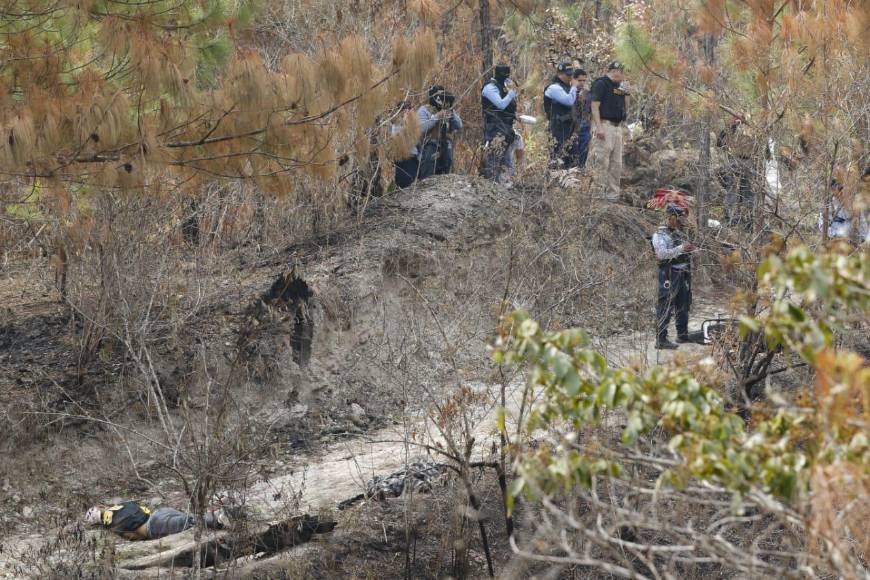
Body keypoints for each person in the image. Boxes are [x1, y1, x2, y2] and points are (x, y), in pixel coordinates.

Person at [652, 205, 696, 350]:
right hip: (668, 273)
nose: (679, 221)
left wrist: (691, 250)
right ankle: (661, 339)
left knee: (683, 303)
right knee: (665, 305)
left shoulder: (678, 234)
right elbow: (661, 254)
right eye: (677, 218)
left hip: (683, 273)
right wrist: (681, 249)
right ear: (670, 217)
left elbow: (685, 250)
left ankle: (682, 334)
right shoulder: (659, 235)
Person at [84, 500, 224, 540]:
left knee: (191, 522)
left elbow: (133, 535)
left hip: (153, 527)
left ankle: (219, 519)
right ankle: (219, 514)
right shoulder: (121, 504)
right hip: (159, 513)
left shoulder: (113, 526)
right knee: (191, 517)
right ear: (102, 506)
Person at [589, 61, 629, 200]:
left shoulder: (619, 87)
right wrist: (598, 127)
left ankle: (613, 195)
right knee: (601, 160)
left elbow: (625, 106)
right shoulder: (601, 84)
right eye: (622, 72)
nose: (623, 76)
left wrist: (626, 92)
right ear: (615, 71)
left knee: (616, 163)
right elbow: (594, 106)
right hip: (604, 125)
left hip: (617, 127)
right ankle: (597, 194)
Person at [480, 64, 519, 184]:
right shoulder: (490, 87)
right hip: (494, 127)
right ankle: (491, 183)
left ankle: (504, 183)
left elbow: (508, 107)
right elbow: (501, 104)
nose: (506, 78)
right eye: (504, 75)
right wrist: (511, 93)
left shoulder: (503, 87)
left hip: (506, 127)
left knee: (506, 156)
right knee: (494, 155)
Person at [417, 85, 463, 180]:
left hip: (445, 144)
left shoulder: (448, 110)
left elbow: (459, 125)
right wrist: (437, 117)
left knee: (447, 164)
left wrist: (451, 112)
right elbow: (421, 128)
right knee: (428, 167)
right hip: (430, 144)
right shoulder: (424, 110)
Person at [543, 62, 579, 169]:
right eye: (568, 75)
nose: (570, 77)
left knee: (572, 157)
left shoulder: (566, 87)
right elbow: (568, 101)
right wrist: (574, 87)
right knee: (558, 156)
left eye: (571, 75)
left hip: (569, 127)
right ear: (560, 74)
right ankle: (555, 183)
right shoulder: (554, 87)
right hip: (558, 127)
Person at [391, 100, 420, 189]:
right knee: (403, 181)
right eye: (404, 110)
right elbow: (397, 140)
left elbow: (415, 140)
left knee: (410, 180)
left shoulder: (413, 123)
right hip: (401, 158)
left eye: (408, 109)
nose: (406, 112)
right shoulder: (396, 124)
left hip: (412, 157)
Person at [571, 68, 592, 168]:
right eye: (580, 80)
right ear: (574, 80)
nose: (582, 83)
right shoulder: (569, 91)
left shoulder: (588, 93)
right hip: (572, 127)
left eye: (584, 80)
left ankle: (581, 169)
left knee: (584, 150)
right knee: (572, 150)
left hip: (585, 127)